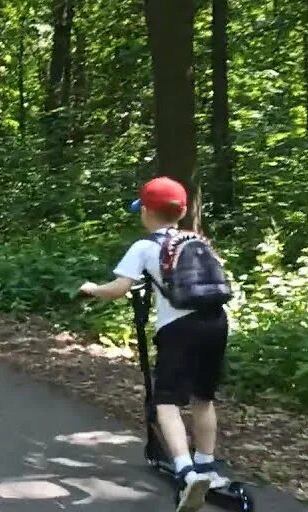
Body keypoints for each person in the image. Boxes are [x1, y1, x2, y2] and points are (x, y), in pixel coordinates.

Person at [78, 177, 230, 512]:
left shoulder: (145, 247)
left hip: (179, 328)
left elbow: (119, 288)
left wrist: (91, 288)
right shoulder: (198, 241)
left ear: (146, 212)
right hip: (216, 322)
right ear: (183, 210)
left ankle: (187, 472)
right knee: (203, 398)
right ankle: (207, 466)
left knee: (167, 402)